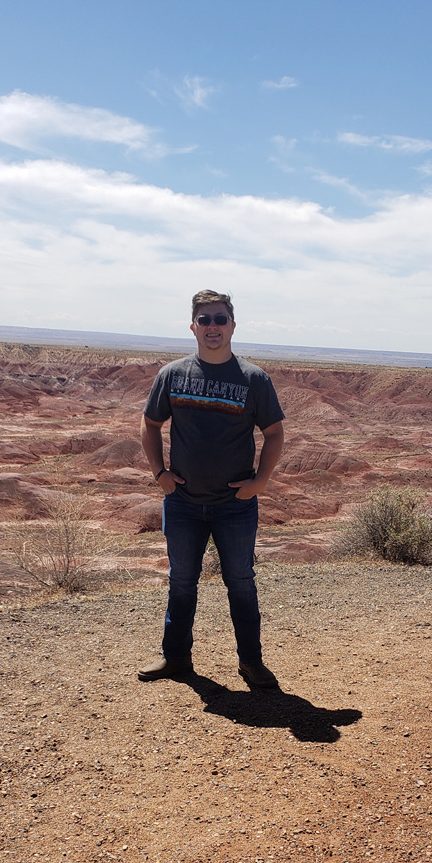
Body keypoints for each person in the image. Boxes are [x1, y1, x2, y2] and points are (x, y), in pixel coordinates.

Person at [138, 289, 285, 687]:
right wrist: (159, 474)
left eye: (220, 319)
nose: (213, 327)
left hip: (234, 506)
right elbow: (150, 424)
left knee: (240, 583)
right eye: (205, 320)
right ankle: (175, 659)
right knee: (181, 582)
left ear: (233, 325)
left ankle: (251, 662)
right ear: (193, 327)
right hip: (183, 503)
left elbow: (274, 433)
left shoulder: (254, 379)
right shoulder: (173, 374)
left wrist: (260, 481)